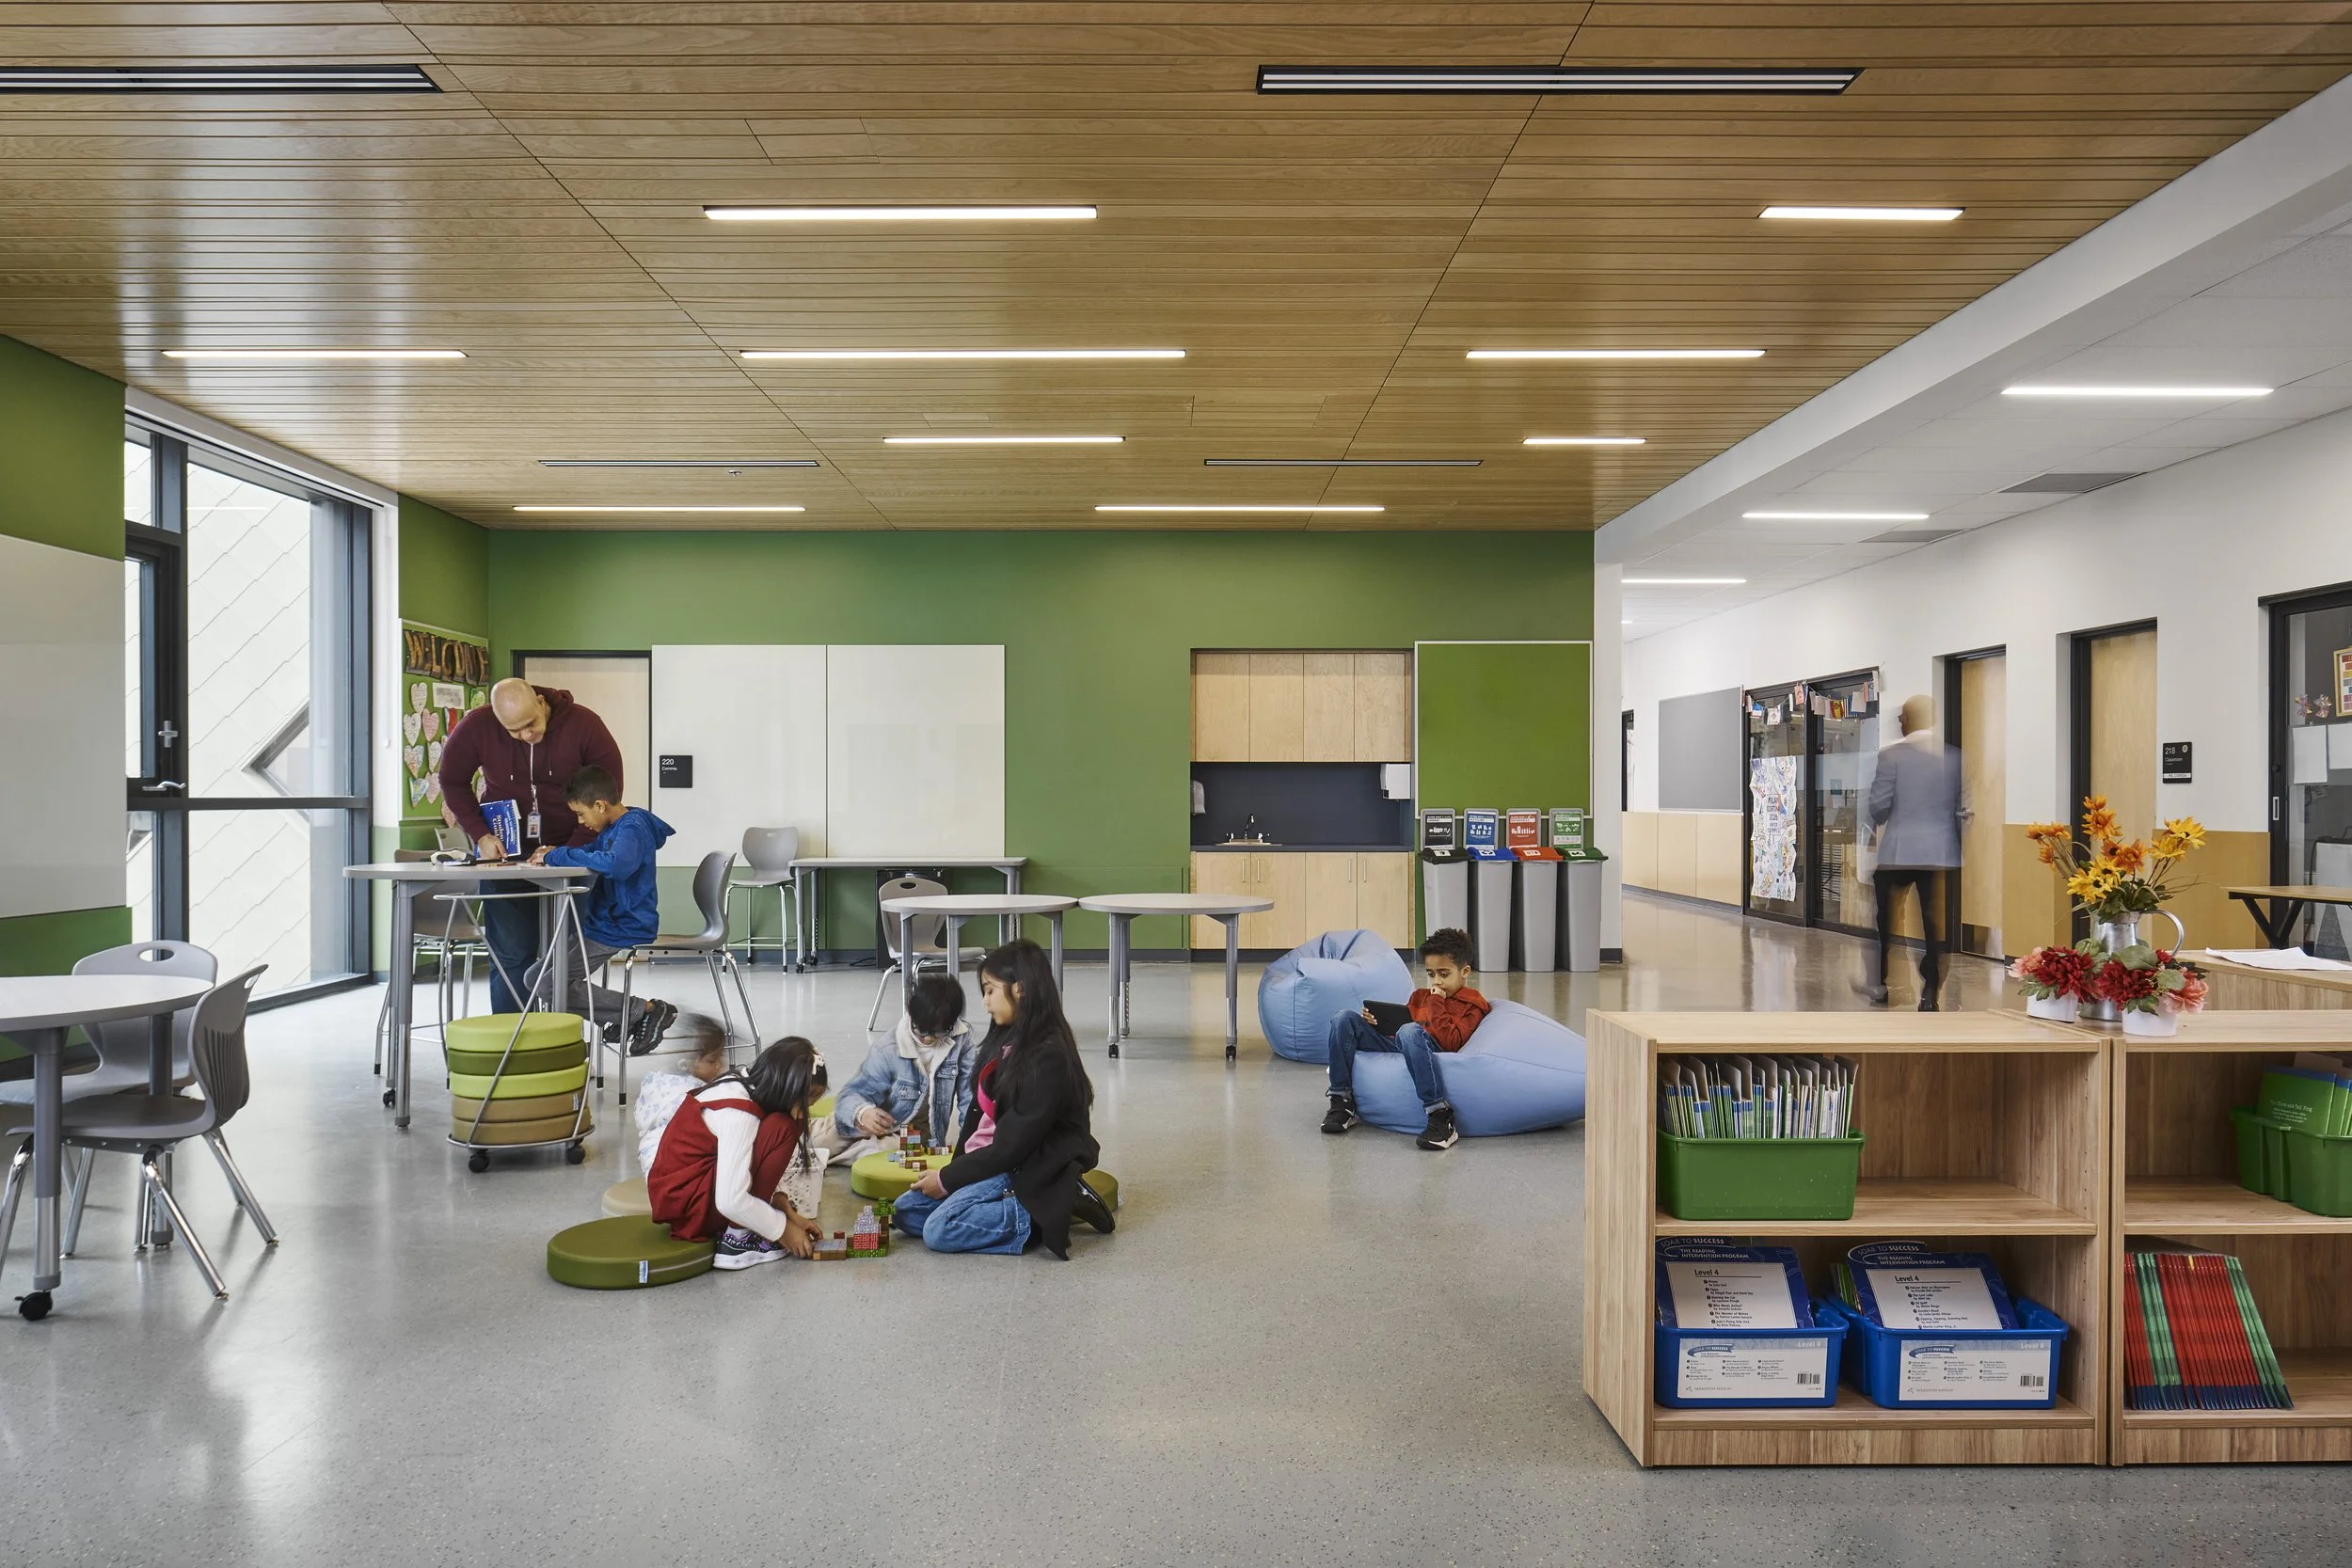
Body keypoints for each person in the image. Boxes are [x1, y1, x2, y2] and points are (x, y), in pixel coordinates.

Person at [894, 941, 1112, 1258]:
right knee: (905, 1211)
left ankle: (1039, 1216)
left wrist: (947, 1180)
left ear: (1020, 989)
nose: (984, 1002)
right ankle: (1000, 1205)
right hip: (994, 1160)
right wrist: (955, 1173)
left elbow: (1012, 1147)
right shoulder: (1004, 1038)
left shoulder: (1048, 1057)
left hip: (1025, 1166)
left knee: (939, 1230)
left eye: (990, 991)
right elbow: (975, 1120)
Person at [437, 677, 626, 1013]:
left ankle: (560, 1035)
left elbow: (607, 793)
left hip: (573, 856)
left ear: (540, 702)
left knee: (569, 957)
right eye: (515, 731)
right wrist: (480, 834)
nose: (526, 735)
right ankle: (514, 1035)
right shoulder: (477, 726)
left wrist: (571, 851)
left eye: (530, 725)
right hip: (506, 858)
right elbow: (451, 780)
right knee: (510, 954)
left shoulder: (584, 725)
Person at [520, 766, 678, 1053]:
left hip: (622, 925)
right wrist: (556, 852)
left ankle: (646, 1010)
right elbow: (595, 852)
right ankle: (625, 1015)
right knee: (534, 978)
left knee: (548, 985)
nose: (581, 822)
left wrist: (560, 855)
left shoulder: (632, 827)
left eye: (581, 814)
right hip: (602, 925)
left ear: (600, 805)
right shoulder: (615, 828)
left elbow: (617, 865)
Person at [647, 1037, 828, 1270]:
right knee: (782, 1128)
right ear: (784, 1089)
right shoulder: (739, 1115)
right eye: (805, 1103)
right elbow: (730, 1201)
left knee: (788, 1123)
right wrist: (782, 1230)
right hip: (690, 1206)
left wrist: (786, 1211)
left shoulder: (747, 1082)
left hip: (691, 1192)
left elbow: (758, 1162)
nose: (805, 1111)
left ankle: (744, 1228)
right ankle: (737, 1241)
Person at [1320, 927, 1490, 1151]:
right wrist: (1377, 1023)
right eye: (1431, 974)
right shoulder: (1420, 996)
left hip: (1432, 1048)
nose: (1436, 982)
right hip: (1403, 1042)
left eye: (1444, 974)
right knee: (1343, 1019)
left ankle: (1440, 1115)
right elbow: (1400, 1027)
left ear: (1465, 971)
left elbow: (1451, 1042)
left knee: (1409, 1031)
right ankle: (1342, 1101)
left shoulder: (1473, 1004)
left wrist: (1436, 1003)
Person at [1863, 693, 1967, 1011]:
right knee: (1934, 924)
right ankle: (1930, 991)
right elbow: (1961, 807)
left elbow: (1879, 806)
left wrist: (1879, 817)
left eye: (1901, 717)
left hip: (1898, 853)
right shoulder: (1954, 758)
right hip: (1940, 854)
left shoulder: (1891, 756)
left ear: (1906, 720)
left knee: (1886, 919)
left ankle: (1884, 984)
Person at [824, 974, 976, 1164]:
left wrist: (971, 1143)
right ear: (911, 1015)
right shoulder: (889, 1048)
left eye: (939, 1032)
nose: (928, 1039)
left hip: (916, 1130)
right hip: (871, 1118)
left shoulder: (962, 1038)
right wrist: (862, 1112)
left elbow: (969, 1096)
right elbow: (851, 1095)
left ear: (953, 1023)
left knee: (884, 1153)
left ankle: (834, 1156)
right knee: (822, 1139)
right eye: (922, 1031)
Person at [630, 1013, 728, 1175]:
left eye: (720, 1057)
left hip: (651, 1159)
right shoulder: (693, 1094)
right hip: (674, 1165)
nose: (719, 1065)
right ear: (687, 1063)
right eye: (712, 1060)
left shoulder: (659, 1085)